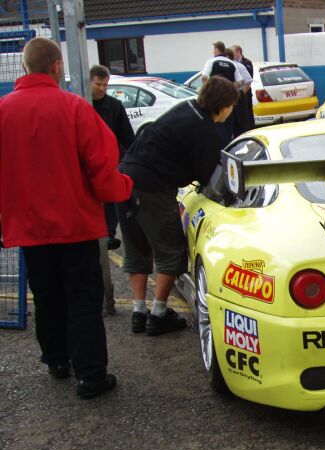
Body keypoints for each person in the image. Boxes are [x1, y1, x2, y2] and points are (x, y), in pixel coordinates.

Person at [0, 38, 133, 398]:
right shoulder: (75, 109)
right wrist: (124, 188)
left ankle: (56, 359)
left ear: (25, 68)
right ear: (58, 65)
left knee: (46, 295)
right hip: (75, 226)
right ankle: (90, 375)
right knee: (82, 299)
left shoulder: (4, 111)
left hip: (29, 228)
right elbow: (102, 169)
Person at [117, 76, 238, 337]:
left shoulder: (185, 108)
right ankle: (158, 316)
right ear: (223, 104)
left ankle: (139, 313)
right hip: (152, 188)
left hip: (124, 179)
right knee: (171, 250)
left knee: (137, 247)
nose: (231, 113)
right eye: (231, 107)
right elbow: (212, 180)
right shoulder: (205, 128)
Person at [90, 64, 135, 251]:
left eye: (105, 85)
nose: (101, 88)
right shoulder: (81, 103)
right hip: (88, 161)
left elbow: (127, 137)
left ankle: (109, 233)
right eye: (98, 84)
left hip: (110, 161)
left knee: (110, 197)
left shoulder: (114, 106)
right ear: (89, 82)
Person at [200, 41, 251, 140]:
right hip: (228, 102)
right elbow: (240, 81)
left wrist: (209, 90)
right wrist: (228, 88)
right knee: (228, 127)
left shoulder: (211, 62)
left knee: (216, 125)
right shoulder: (231, 63)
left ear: (217, 50)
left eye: (213, 49)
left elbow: (204, 77)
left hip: (214, 101)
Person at [232, 44, 256, 132]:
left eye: (233, 52)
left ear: (238, 52)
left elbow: (248, 78)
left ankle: (251, 130)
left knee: (248, 113)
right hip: (239, 94)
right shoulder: (233, 63)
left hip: (246, 92)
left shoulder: (246, 62)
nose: (232, 54)